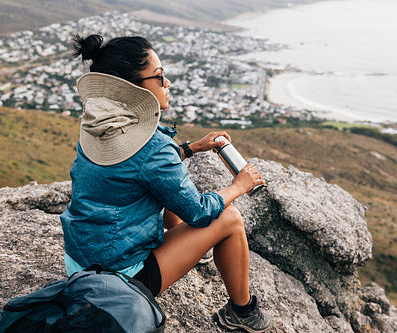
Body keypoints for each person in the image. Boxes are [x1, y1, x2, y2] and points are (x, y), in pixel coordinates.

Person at [60, 34, 271, 333]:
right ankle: (243, 313)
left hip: (78, 263)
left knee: (168, 192)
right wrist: (239, 185)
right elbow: (198, 212)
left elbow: (135, 167)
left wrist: (190, 148)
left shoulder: (99, 124)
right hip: (121, 278)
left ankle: (187, 243)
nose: (167, 83)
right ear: (135, 86)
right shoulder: (153, 148)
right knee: (230, 219)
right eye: (159, 77)